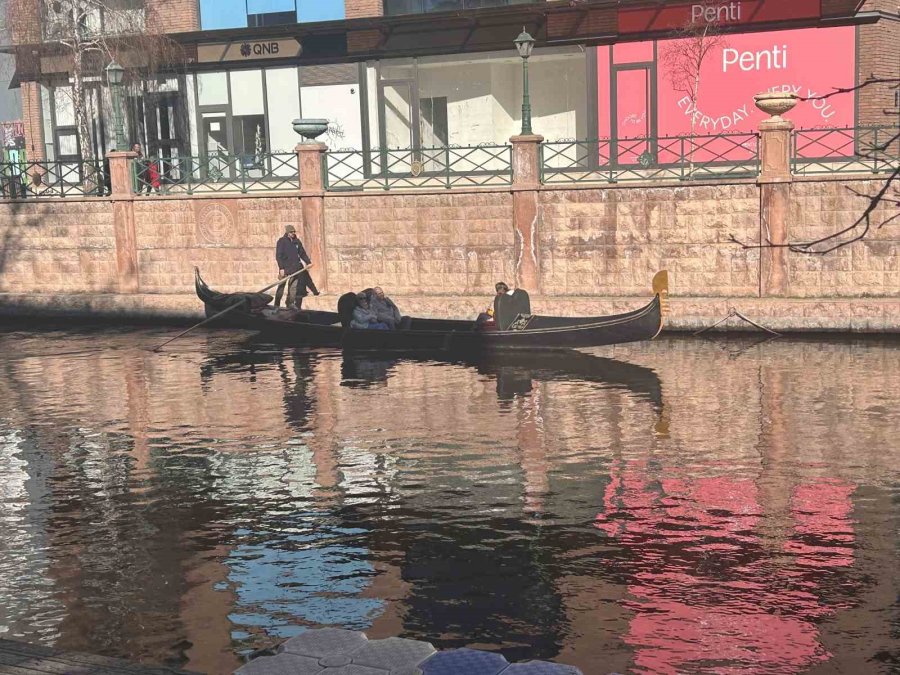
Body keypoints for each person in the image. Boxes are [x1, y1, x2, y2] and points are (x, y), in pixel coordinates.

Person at [274, 224, 319, 309]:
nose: (293, 233)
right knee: (281, 287)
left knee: (293, 287)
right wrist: (281, 268)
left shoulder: (297, 242)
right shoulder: (282, 241)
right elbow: (278, 256)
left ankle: (290, 304)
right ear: (287, 232)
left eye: (294, 231)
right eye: (291, 232)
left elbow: (302, 253)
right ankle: (276, 305)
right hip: (285, 268)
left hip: (295, 269)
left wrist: (308, 262)